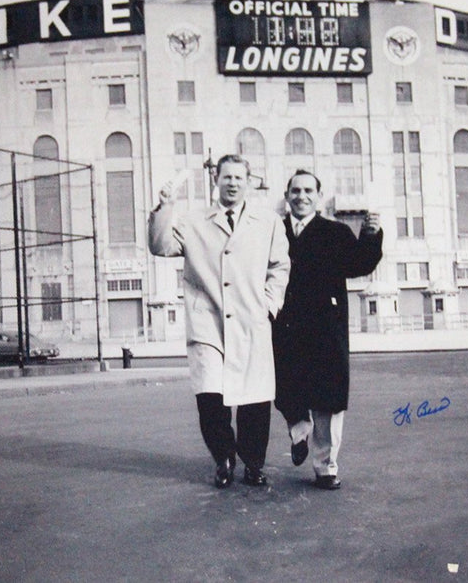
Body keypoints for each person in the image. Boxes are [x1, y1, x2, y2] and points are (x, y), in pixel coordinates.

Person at [148, 154, 290, 488]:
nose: (232, 183)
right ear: (216, 181)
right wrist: (164, 208)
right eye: (226, 177)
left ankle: (253, 464)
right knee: (210, 396)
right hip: (207, 322)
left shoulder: (267, 221)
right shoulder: (195, 221)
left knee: (255, 399)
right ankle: (223, 458)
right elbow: (160, 246)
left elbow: (279, 268)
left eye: (239, 178)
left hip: (251, 320)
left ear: (249, 181)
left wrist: (269, 305)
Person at [272, 169, 383, 490]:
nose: (301, 196)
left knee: (328, 400)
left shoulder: (334, 232)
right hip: (285, 326)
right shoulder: (274, 233)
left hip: (325, 328)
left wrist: (370, 235)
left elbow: (360, 264)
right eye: (295, 190)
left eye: (308, 191)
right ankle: (298, 429)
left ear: (318, 197)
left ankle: (325, 467)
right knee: (284, 388)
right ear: (287, 196)